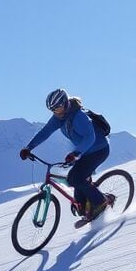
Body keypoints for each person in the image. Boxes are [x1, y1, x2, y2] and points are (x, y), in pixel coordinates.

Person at [19, 88, 113, 223]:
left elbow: (90, 137)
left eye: (58, 108)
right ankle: (87, 208)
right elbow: (45, 132)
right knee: (74, 182)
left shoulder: (79, 116)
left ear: (65, 103)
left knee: (76, 178)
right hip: (83, 152)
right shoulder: (59, 117)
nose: (56, 112)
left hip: (98, 150)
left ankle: (101, 201)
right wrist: (29, 147)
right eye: (53, 110)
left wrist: (76, 153)